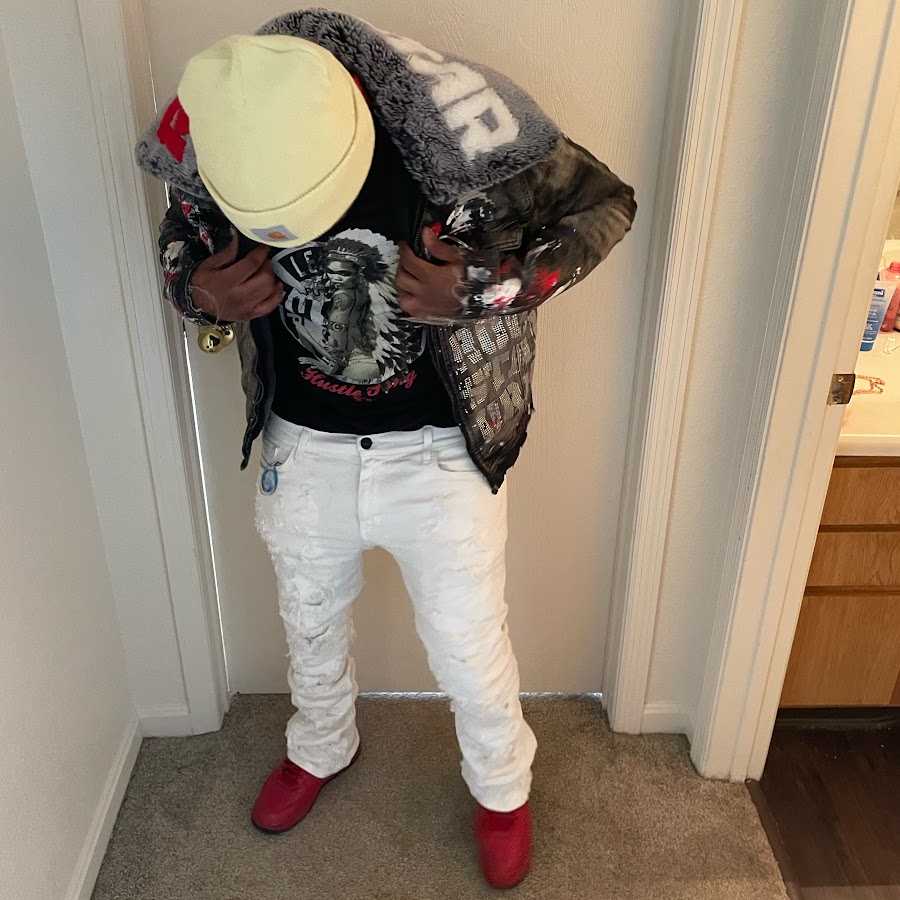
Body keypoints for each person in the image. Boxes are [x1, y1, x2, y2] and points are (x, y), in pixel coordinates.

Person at [136, 9, 635, 889]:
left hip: (438, 450)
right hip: (302, 444)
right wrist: (196, 291)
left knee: (468, 642)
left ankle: (502, 789)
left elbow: (607, 204)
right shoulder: (216, 124)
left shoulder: (470, 132)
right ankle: (320, 744)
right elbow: (182, 233)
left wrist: (486, 290)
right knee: (309, 620)